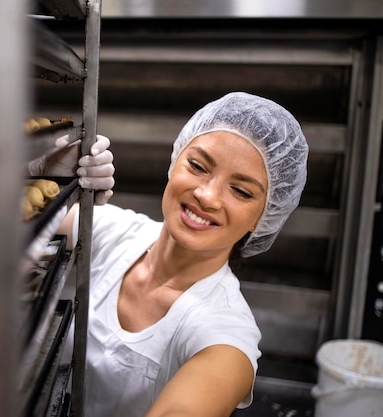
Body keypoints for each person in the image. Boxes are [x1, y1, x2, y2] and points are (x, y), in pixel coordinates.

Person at [30, 92, 309, 417]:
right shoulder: (117, 232)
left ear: (264, 217)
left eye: (241, 191)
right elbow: (8, 224)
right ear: (175, 161)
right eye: (198, 166)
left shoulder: (226, 333)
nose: (207, 196)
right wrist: (39, 178)